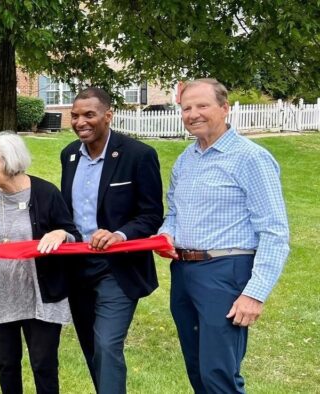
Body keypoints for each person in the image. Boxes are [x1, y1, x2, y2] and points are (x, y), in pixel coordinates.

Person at [159, 78, 289, 393]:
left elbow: (274, 230)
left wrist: (254, 293)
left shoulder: (250, 158)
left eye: (202, 105)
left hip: (225, 273)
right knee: (198, 370)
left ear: (224, 108)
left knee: (219, 374)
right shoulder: (186, 159)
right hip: (184, 271)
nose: (193, 114)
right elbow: (174, 212)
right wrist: (166, 233)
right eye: (186, 108)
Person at [60, 87, 163, 393]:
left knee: (107, 344)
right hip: (77, 267)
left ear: (108, 115)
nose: (81, 122)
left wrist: (119, 234)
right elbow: (68, 211)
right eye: (75, 115)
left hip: (117, 268)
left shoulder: (138, 155)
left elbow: (151, 215)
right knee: (91, 346)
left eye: (89, 115)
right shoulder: (69, 155)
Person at [0, 131, 81, 394]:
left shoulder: (46, 193)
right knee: (6, 365)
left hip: (40, 296)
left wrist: (60, 233)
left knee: (43, 365)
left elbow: (73, 236)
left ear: (9, 163)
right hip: (1, 295)